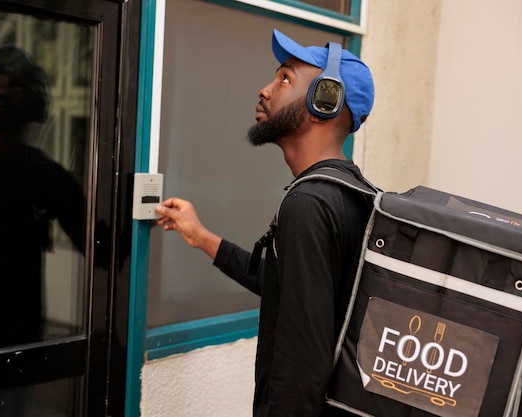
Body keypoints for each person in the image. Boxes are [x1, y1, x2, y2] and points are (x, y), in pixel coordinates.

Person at [155, 29, 375, 417]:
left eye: (285, 77)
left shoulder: (309, 203)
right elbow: (282, 286)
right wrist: (202, 237)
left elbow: (302, 367)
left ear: (325, 100)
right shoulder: (350, 193)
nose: (265, 89)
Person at [0, 45, 85, 416]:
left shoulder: (47, 176)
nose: (1, 91)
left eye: (16, 85)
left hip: (16, 345)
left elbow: (102, 246)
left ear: (33, 101)